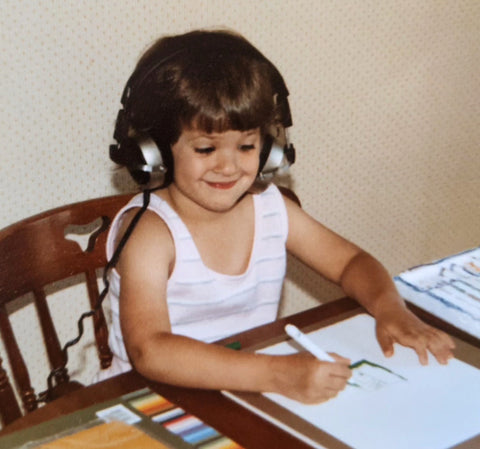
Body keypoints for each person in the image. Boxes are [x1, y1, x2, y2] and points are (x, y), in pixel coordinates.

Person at [99, 29, 454, 404]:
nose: (228, 166)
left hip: (244, 390)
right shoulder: (149, 234)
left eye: (247, 146)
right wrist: (276, 374)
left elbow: (351, 262)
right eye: (206, 148)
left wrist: (391, 310)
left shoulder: (271, 208)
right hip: (150, 399)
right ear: (155, 152)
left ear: (269, 148)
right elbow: (151, 351)